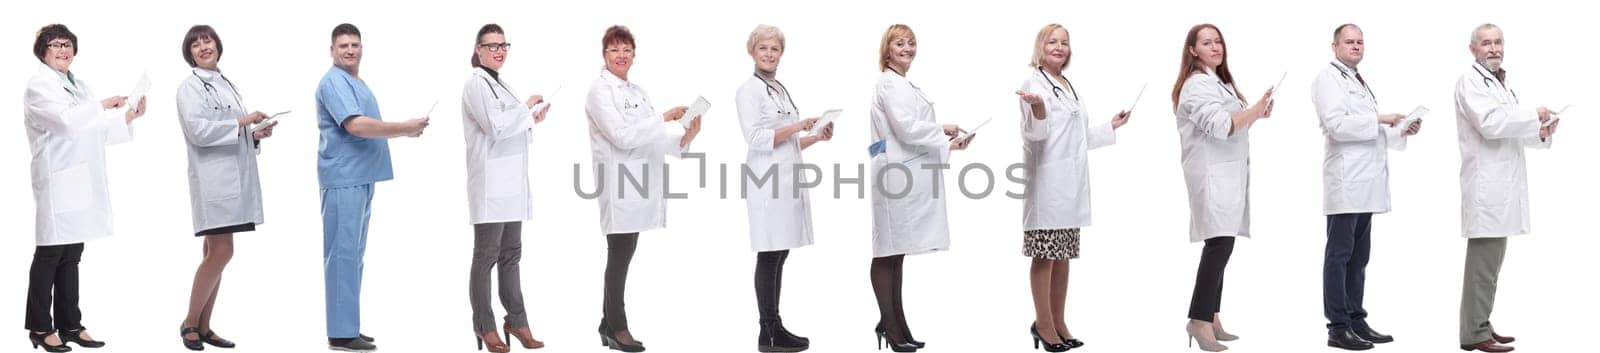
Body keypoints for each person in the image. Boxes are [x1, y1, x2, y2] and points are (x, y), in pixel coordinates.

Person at [24, 23, 146, 352]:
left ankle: (70, 325)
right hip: (57, 178)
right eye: (56, 45)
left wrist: (127, 118)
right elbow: (65, 122)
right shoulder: (39, 85)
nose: (63, 50)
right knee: (49, 254)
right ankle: (39, 327)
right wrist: (102, 105)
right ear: (43, 51)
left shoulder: (78, 86)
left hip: (78, 182)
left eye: (68, 45)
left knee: (72, 255)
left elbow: (90, 130)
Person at [584, 25, 704, 353]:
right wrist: (664, 116)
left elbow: (649, 136)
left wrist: (685, 137)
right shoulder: (599, 91)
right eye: (614, 50)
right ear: (604, 55)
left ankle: (607, 324)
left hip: (640, 182)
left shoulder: (637, 91)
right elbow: (622, 136)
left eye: (626, 50)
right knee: (619, 253)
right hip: (619, 182)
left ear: (634, 55)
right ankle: (617, 326)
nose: (621, 56)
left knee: (626, 251)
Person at [314, 23, 430, 353]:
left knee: (353, 255)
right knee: (342, 254)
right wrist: (404, 127)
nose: (350, 50)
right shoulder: (333, 82)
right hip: (344, 177)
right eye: (343, 45)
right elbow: (356, 125)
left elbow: (368, 126)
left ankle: (347, 326)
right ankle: (340, 332)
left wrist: (405, 132)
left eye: (355, 45)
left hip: (361, 176)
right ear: (332, 50)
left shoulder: (354, 81)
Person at [1014, 23, 1129, 353]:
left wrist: (1111, 126)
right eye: (1052, 41)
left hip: (1070, 186)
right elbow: (1035, 135)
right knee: (1044, 254)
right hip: (1048, 186)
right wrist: (1037, 109)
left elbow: (1076, 137)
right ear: (1040, 46)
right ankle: (1043, 323)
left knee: (1063, 256)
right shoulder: (1033, 83)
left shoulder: (1066, 84)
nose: (1059, 46)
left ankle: (1059, 321)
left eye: (1064, 42)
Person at [1310, 23, 1418, 351]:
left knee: (1359, 257)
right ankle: (1337, 327)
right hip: (1347, 183)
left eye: (1360, 42)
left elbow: (1367, 131)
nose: (1356, 46)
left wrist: (1400, 130)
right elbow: (1336, 125)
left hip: (1365, 183)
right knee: (1340, 255)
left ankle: (1356, 319)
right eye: (1349, 42)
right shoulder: (1327, 79)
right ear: (1334, 46)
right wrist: (1379, 119)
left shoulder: (1356, 79)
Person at [868, 24, 973, 353]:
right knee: (887, 250)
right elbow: (908, 129)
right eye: (900, 43)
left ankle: (894, 323)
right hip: (895, 175)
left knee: (896, 251)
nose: (907, 48)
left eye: (911, 43)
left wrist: (944, 129)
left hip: (900, 171)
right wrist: (944, 137)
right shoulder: (889, 83)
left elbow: (909, 125)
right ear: (887, 49)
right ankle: (890, 324)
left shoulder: (902, 83)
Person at [1170, 23, 1274, 352]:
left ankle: (1211, 316)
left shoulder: (1219, 82)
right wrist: (1254, 110)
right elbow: (1220, 127)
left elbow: (1234, 121)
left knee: (1222, 244)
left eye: (1218, 42)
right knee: (1218, 246)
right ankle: (1198, 320)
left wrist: (1257, 114)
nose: (1216, 47)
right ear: (1192, 50)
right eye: (1207, 43)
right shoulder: (1197, 85)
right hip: (1211, 176)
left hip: (1225, 174)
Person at [1454, 23, 1557, 353]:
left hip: (1502, 189)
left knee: (1491, 265)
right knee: (1482, 267)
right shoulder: (1470, 82)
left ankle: (1481, 323)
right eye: (1486, 43)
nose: (1494, 48)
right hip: (1487, 190)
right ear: (1473, 49)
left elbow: (1512, 128)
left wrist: (1540, 131)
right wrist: (1531, 115)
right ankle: (1473, 332)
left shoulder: (1501, 84)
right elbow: (1490, 125)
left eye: (1498, 42)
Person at [174, 24, 275, 351]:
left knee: (212, 252)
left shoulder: (224, 82)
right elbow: (199, 132)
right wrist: (244, 123)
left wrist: (254, 134)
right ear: (189, 53)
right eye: (196, 44)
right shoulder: (189, 87)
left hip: (231, 179)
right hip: (214, 183)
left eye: (208, 41)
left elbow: (227, 130)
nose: (204, 47)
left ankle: (204, 326)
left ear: (218, 45)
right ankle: (189, 322)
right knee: (222, 251)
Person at [733, 24, 834, 353]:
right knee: (769, 252)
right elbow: (757, 138)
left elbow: (788, 143)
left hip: (786, 179)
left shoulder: (777, 88)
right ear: (752, 51)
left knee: (780, 251)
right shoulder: (748, 90)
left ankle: (775, 327)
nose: (769, 54)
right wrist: (797, 125)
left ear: (781, 54)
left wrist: (815, 135)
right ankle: (768, 330)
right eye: (763, 48)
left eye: (774, 49)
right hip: (766, 182)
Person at [460, 23, 549, 352]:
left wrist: (530, 114)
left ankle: (517, 320)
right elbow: (496, 128)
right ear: (478, 49)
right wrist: (526, 111)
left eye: (503, 45)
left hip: (511, 185)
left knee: (511, 255)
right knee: (485, 257)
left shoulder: (502, 85)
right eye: (491, 45)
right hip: (490, 186)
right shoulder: (475, 84)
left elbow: (512, 124)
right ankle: (484, 326)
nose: (499, 50)